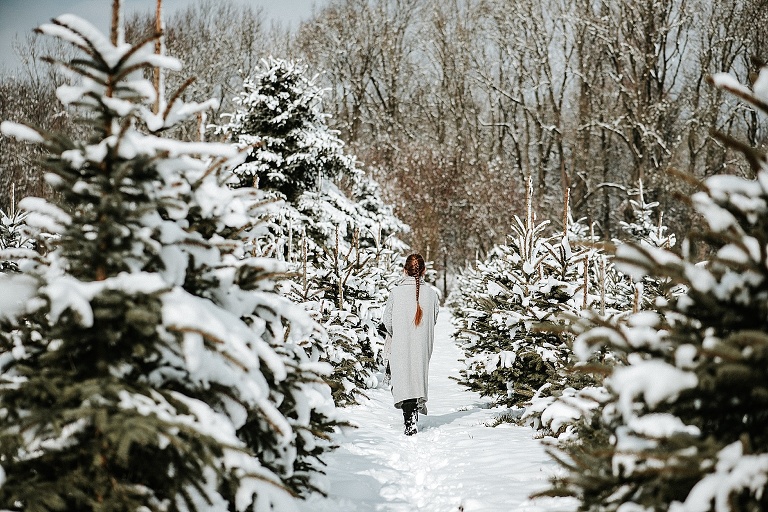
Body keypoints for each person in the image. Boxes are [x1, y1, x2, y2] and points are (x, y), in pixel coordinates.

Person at [382, 254, 439, 436]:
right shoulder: (431, 294)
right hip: (422, 343)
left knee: (404, 379)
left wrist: (398, 332)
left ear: (405, 270)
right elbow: (434, 319)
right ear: (423, 271)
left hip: (401, 342)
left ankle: (409, 420)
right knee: (416, 378)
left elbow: (387, 321)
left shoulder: (396, 293)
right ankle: (412, 419)